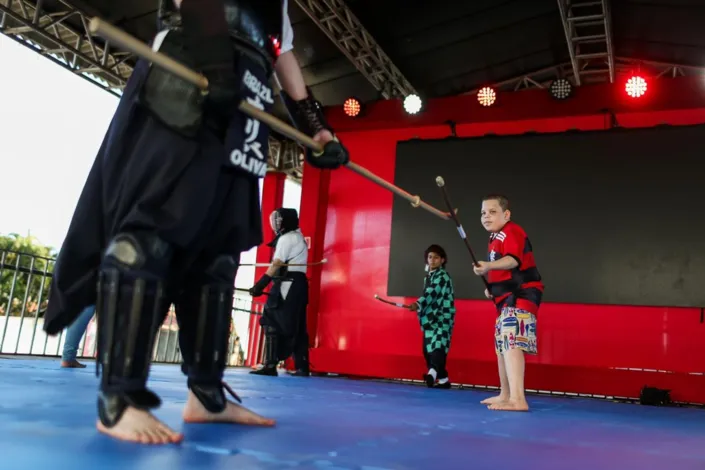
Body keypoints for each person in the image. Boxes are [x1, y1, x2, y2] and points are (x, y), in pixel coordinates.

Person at [41, 0, 349, 445]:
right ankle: (119, 398)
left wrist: (316, 126)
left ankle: (206, 393)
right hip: (189, 71)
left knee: (218, 251)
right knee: (150, 233)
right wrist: (214, 59)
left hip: (247, 91)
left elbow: (280, 50)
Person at [472, 194, 544, 412]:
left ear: (506, 214)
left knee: (511, 344)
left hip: (522, 295)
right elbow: (506, 272)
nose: (486, 216)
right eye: (483, 213)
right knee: (501, 346)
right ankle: (506, 394)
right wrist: (492, 288)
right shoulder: (494, 238)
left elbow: (514, 260)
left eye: (493, 212)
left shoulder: (510, 231)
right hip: (506, 298)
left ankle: (518, 399)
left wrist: (487, 266)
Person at [249, 207, 310, 377]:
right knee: (297, 325)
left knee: (271, 319)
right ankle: (302, 366)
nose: (275, 224)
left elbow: (277, 264)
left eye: (278, 220)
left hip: (288, 284)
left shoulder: (287, 238)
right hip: (298, 284)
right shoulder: (298, 237)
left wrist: (260, 284)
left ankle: (270, 364)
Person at [409, 244, 456, 389]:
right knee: (427, 349)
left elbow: (431, 292)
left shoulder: (443, 276)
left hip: (442, 317)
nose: (432, 260)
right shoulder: (429, 276)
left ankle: (432, 373)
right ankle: (443, 380)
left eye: (436, 257)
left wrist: (418, 303)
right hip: (430, 319)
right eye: (430, 257)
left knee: (438, 346)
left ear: (442, 260)